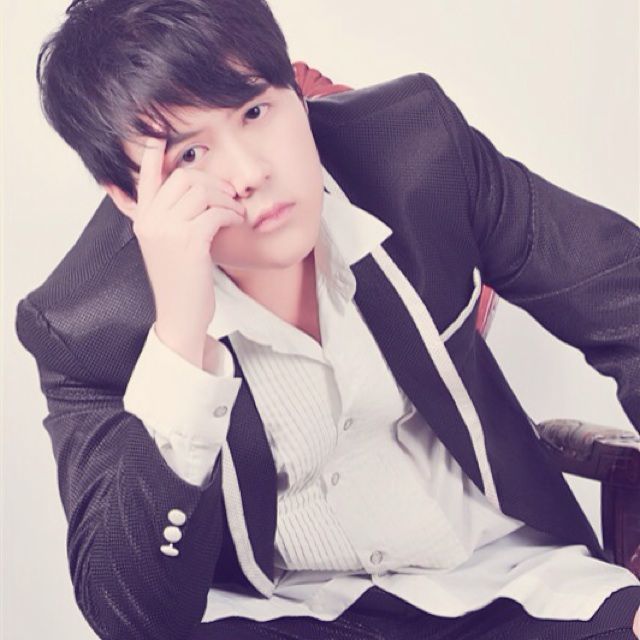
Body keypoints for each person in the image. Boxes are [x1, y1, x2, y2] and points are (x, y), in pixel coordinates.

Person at [14, 0, 640, 638]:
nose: (249, 173)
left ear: (293, 89)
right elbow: (132, 619)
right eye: (191, 156)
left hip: (507, 582)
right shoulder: (82, 325)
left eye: (255, 112)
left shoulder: (416, 152)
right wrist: (180, 341)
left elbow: (624, 296)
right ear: (128, 196)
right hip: (286, 614)